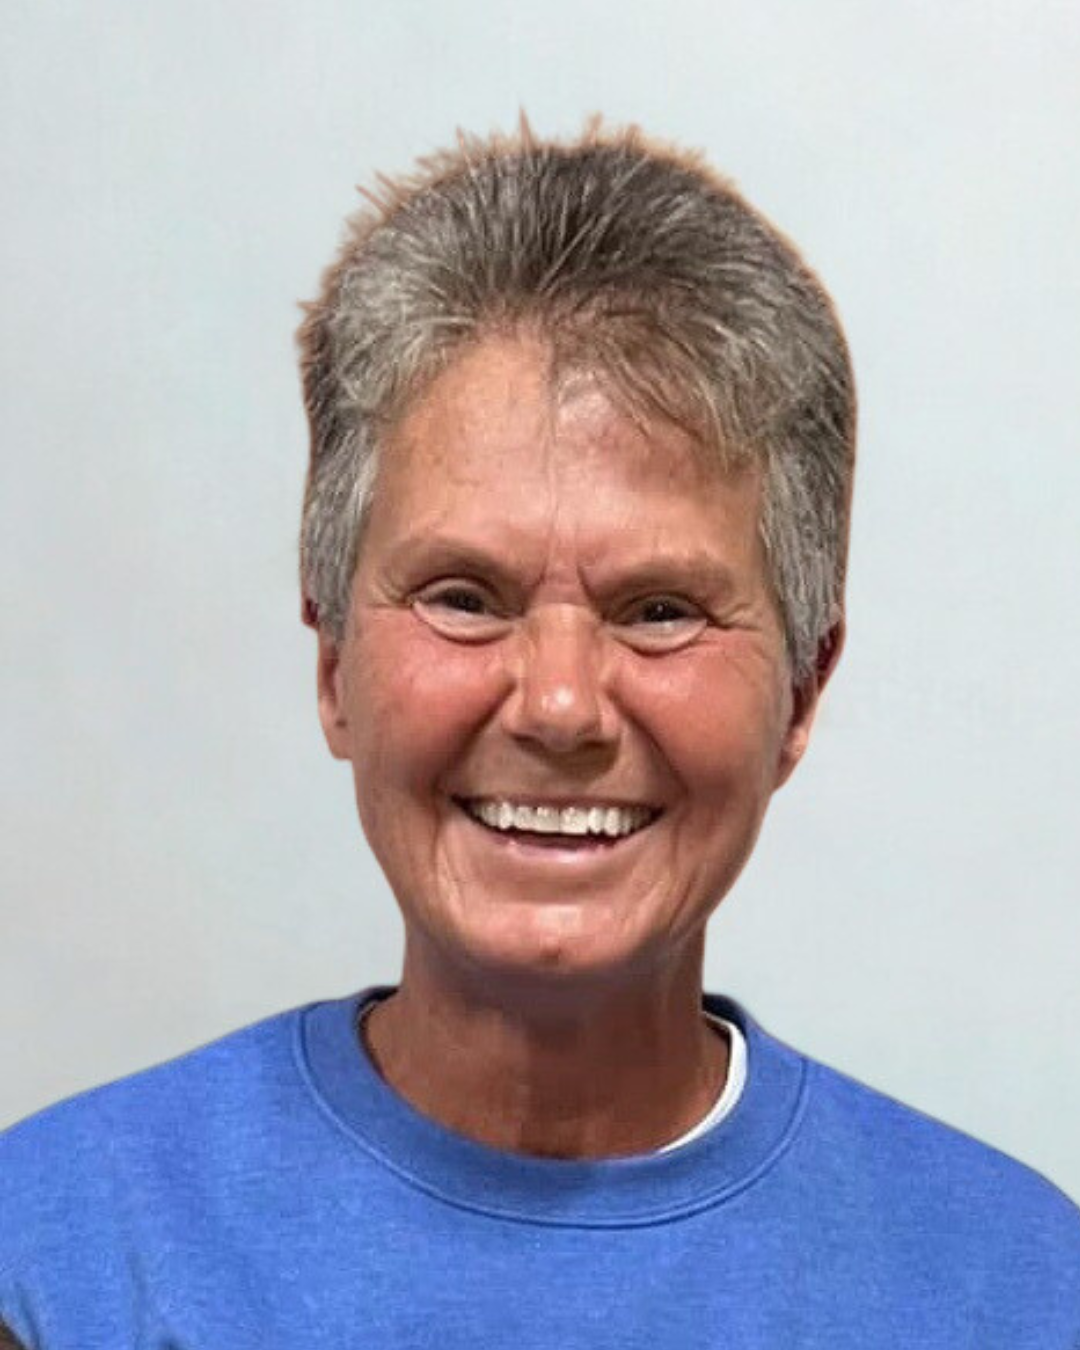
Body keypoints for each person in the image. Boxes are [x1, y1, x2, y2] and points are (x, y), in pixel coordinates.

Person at [1, 121, 1078, 1348]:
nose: (560, 707)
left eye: (660, 611)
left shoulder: (1021, 1293)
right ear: (334, 661)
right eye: (464, 598)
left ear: (804, 687)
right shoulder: (55, 1265)